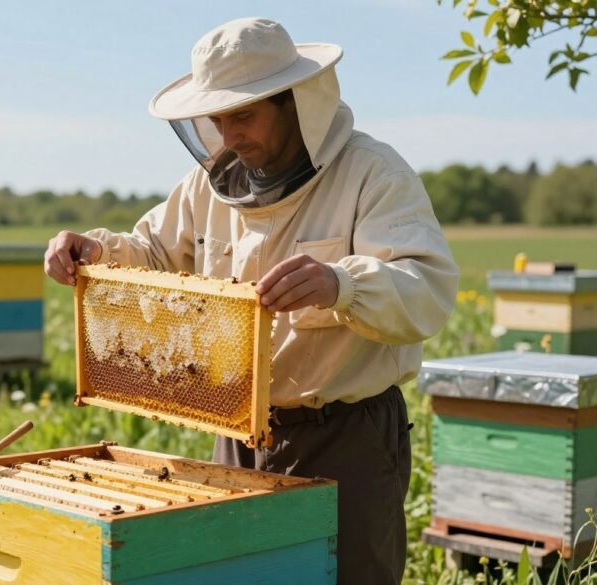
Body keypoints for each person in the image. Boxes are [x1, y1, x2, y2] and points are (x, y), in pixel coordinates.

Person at [44, 17, 458, 585]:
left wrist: (344, 284)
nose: (228, 135)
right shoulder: (210, 185)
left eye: (244, 115)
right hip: (239, 431)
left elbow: (427, 289)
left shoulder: (372, 173)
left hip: (346, 437)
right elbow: (154, 253)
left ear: (296, 104)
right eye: (216, 119)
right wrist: (95, 249)